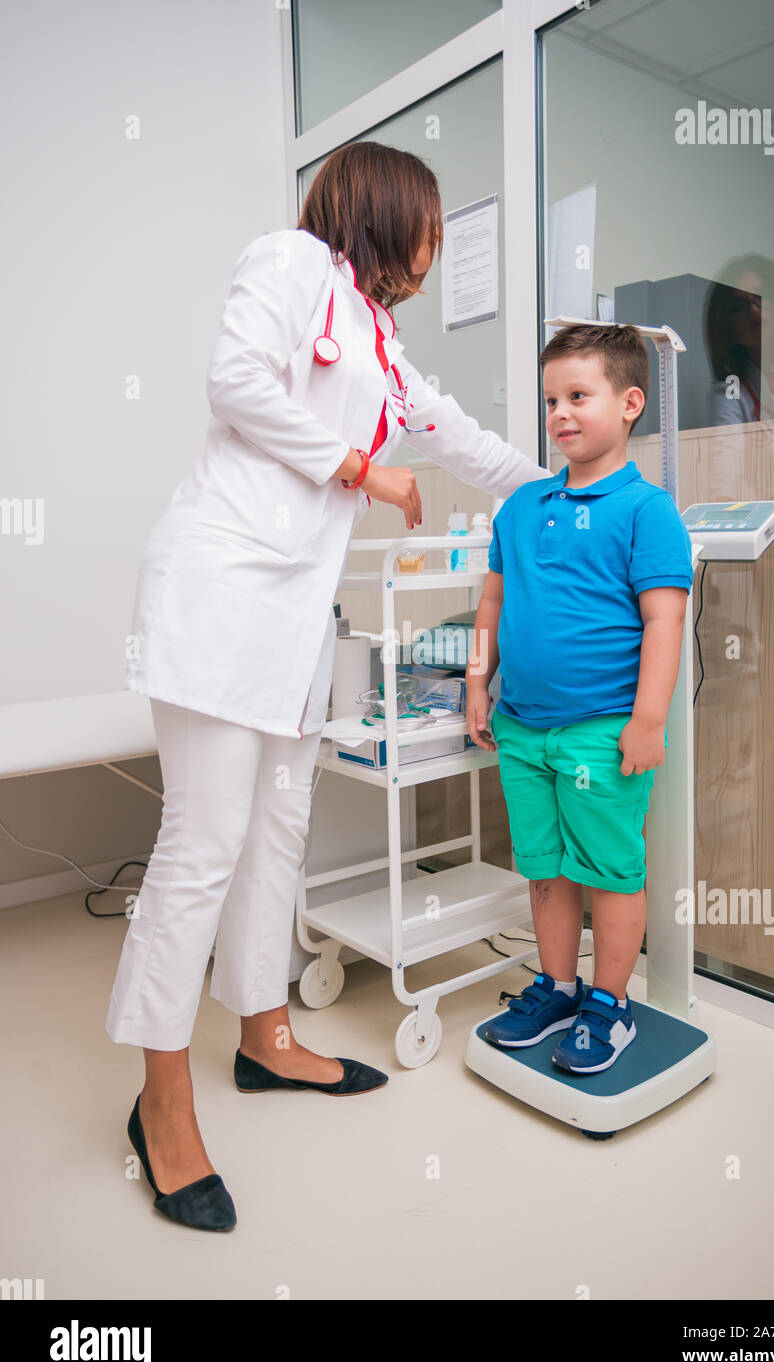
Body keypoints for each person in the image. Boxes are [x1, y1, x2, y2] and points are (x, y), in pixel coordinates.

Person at [106, 141, 552, 1232]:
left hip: (294, 616)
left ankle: (264, 1035)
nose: (438, 249)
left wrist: (577, 494)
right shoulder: (291, 261)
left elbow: (463, 438)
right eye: (432, 226)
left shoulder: (383, 344)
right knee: (204, 840)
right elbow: (236, 381)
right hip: (222, 589)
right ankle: (161, 1103)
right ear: (387, 210)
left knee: (280, 828)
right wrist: (361, 469)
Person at [465, 323, 694, 1072]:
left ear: (631, 403)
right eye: (550, 400)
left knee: (608, 870)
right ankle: (558, 986)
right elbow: (491, 605)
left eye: (578, 396)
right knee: (545, 867)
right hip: (522, 729)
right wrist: (476, 681)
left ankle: (610, 1003)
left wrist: (649, 721)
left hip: (601, 731)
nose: (560, 413)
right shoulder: (520, 507)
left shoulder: (645, 509)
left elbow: (665, 619)